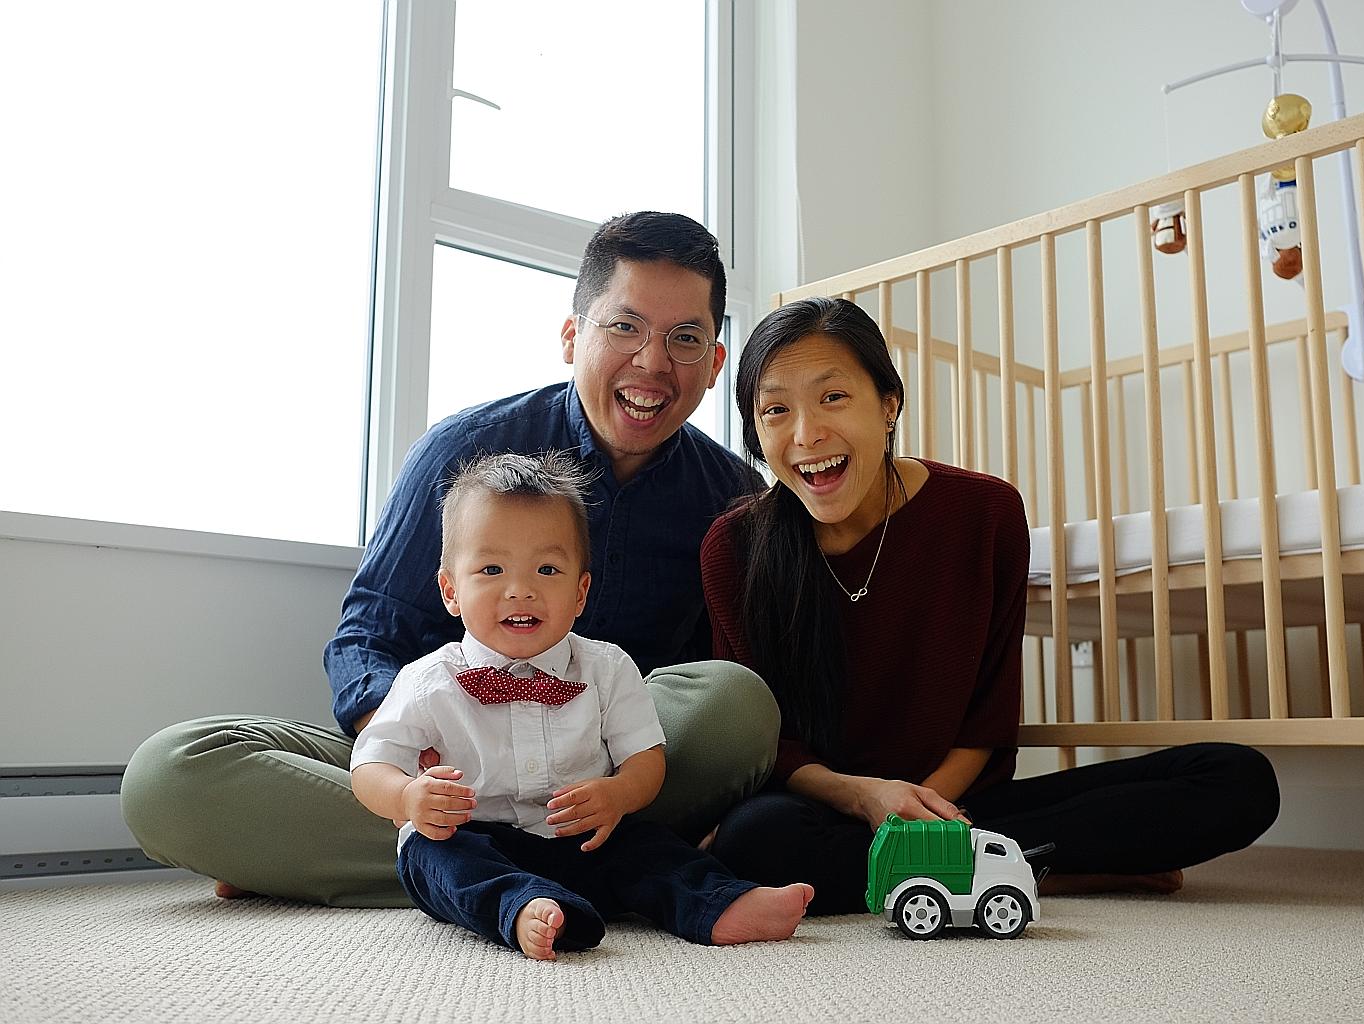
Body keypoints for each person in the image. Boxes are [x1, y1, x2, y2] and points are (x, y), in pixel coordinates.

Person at [121, 212, 775, 907]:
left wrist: (633, 781)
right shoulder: (463, 450)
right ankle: (578, 867)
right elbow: (368, 637)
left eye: (684, 339)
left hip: (600, 785)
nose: (652, 362)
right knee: (169, 776)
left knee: (738, 705)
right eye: (625, 327)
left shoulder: (733, 499)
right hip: (443, 778)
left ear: (714, 364)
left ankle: (409, 868)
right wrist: (409, 771)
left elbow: (710, 688)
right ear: (571, 335)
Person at [701, 296, 1281, 914]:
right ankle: (1044, 870)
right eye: (776, 410)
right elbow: (769, 743)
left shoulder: (986, 513)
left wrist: (922, 821)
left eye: (833, 397)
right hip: (823, 804)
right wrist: (864, 796)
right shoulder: (733, 547)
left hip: (958, 806)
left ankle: (947, 865)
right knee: (756, 839)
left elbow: (988, 720)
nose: (805, 434)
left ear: (889, 404)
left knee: (1237, 779)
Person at [353, 451, 811, 958]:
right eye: (492, 569)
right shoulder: (428, 681)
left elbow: (646, 758)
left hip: (583, 840)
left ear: (580, 591)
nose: (520, 590)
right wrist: (408, 798)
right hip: (475, 839)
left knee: (649, 847)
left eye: (547, 569)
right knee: (431, 854)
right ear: (451, 590)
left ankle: (719, 903)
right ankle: (521, 907)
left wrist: (619, 794)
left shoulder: (606, 669)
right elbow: (370, 766)